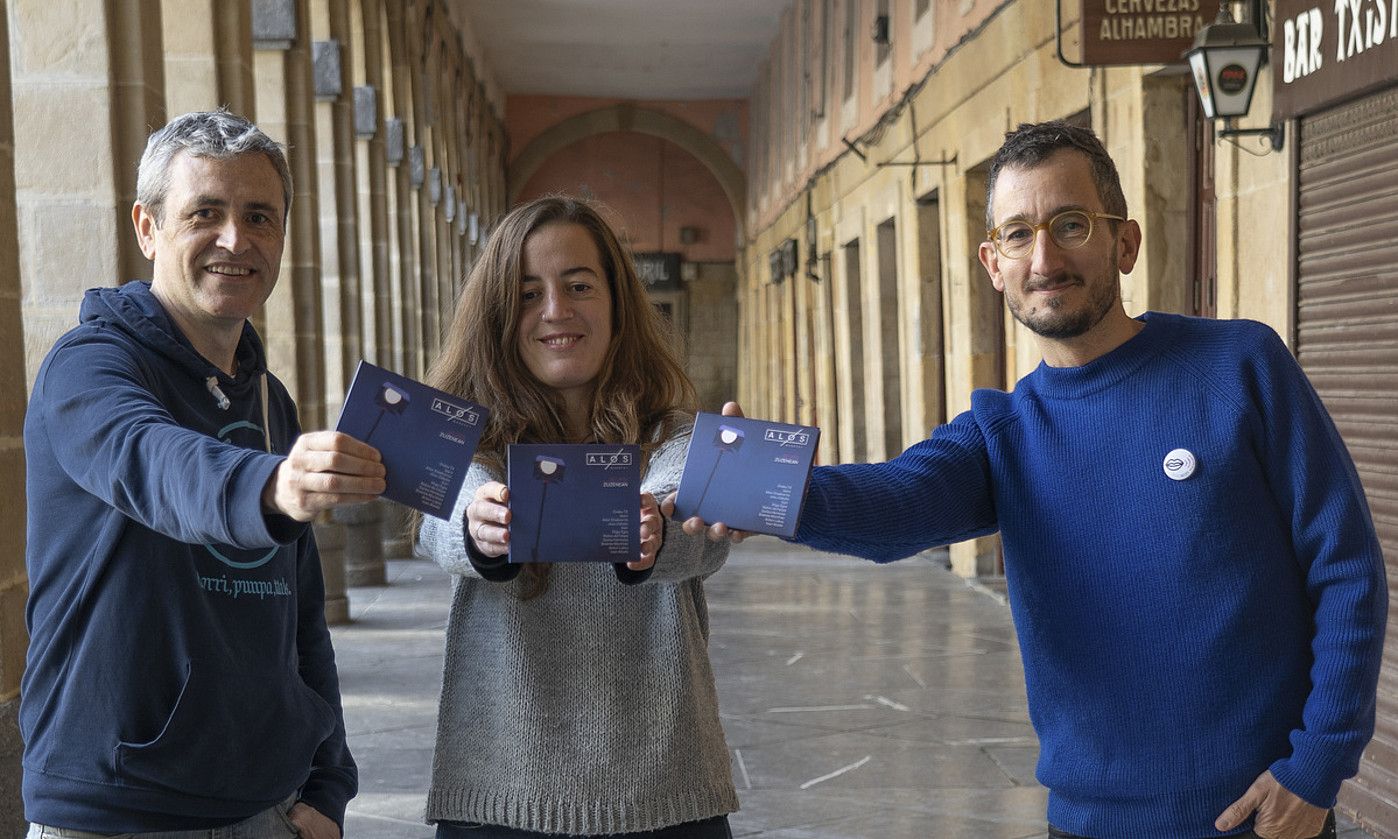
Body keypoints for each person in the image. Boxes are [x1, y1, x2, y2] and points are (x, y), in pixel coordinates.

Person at [676, 121, 1386, 839]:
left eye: (1070, 224)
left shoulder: (1240, 368)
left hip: (1260, 820)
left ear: (1125, 242)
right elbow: (896, 501)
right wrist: (765, 486)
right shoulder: (1003, 431)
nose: (1044, 256)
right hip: (1085, 823)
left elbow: (1348, 568)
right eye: (1017, 233)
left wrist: (1316, 766)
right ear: (993, 263)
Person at [21, 110, 386, 838]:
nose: (235, 239)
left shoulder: (269, 399)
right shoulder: (89, 366)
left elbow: (301, 615)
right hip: (115, 806)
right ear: (148, 227)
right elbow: (152, 460)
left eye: (259, 216)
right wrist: (270, 486)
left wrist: (328, 781)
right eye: (205, 213)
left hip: (265, 808)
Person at [415, 196, 738, 838]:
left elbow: (691, 527)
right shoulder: (468, 442)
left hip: (661, 794)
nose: (555, 311)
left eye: (578, 285)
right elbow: (445, 513)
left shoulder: (673, 435)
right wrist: (479, 526)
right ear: (500, 317)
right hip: (500, 792)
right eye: (528, 293)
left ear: (618, 303)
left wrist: (656, 531)